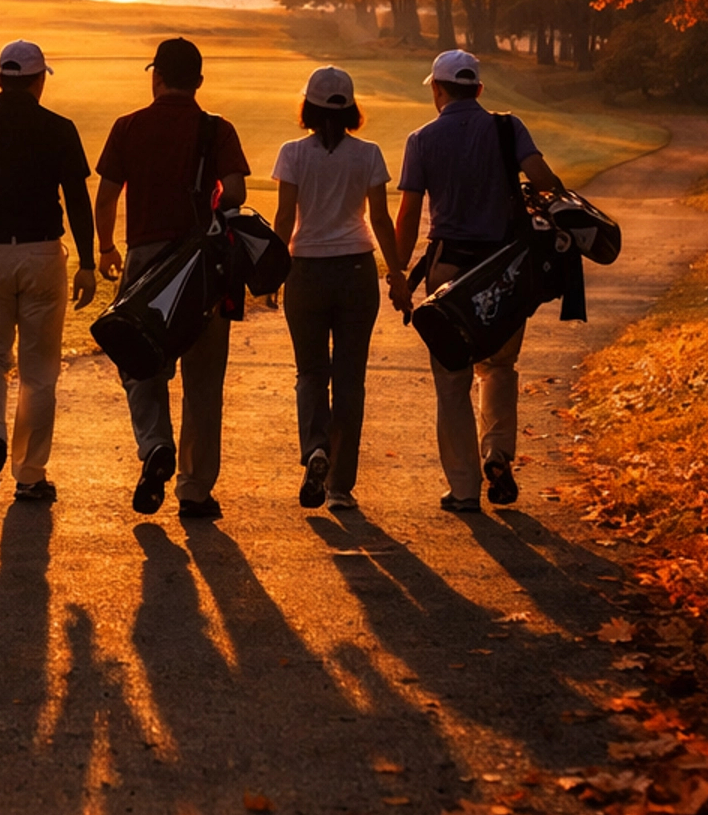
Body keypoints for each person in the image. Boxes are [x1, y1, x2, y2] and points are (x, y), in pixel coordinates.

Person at [394, 48, 563, 514]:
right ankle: (498, 453)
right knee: (500, 367)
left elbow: (408, 213)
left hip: (448, 273)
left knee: (453, 380)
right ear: (480, 89)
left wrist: (399, 273)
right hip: (505, 272)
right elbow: (542, 178)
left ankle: (465, 488)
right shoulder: (508, 127)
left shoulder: (421, 139)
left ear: (437, 89)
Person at [94, 36, 249, 520]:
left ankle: (156, 443)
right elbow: (236, 191)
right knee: (203, 379)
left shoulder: (128, 126)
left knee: (139, 360)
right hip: (202, 266)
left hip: (145, 260)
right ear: (198, 81)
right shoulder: (217, 129)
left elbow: (107, 195)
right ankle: (195, 488)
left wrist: (105, 247)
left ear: (156, 76)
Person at [0, 40, 97, 505]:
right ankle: (29, 474)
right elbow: (77, 200)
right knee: (38, 371)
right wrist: (88, 262)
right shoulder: (59, 128)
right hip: (43, 253)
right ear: (39, 80)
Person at [272, 67, 409, 513]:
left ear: (308, 108)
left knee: (311, 372)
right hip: (355, 270)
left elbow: (285, 218)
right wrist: (397, 273)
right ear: (351, 108)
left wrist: (271, 272)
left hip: (305, 270)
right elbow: (380, 219)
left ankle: (316, 447)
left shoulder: (292, 153)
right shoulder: (368, 154)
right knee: (350, 379)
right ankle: (339, 486)